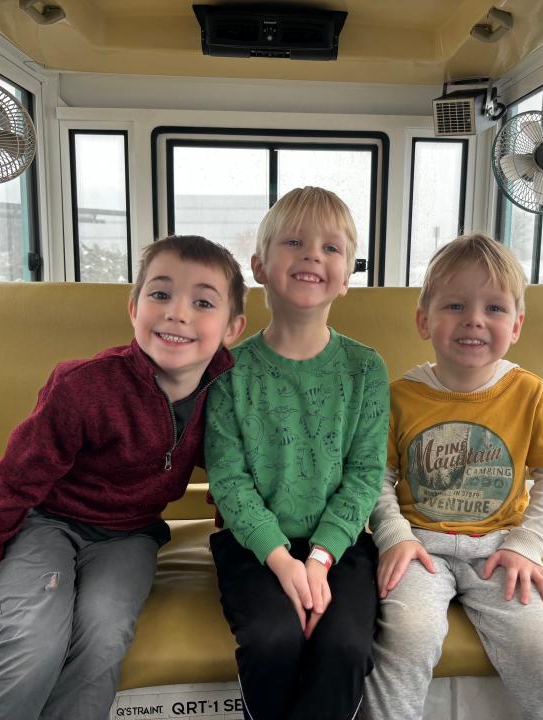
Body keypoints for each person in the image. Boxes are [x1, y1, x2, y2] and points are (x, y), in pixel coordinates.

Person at [0, 235, 247, 720]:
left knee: (104, 636)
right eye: (160, 294)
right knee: (35, 640)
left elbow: (240, 478)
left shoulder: (229, 398)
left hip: (129, 537)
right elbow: (11, 481)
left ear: (232, 328)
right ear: (133, 308)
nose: (178, 313)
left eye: (203, 302)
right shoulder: (82, 387)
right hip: (45, 523)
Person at [364, 233, 543, 720]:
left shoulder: (527, 392)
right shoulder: (400, 396)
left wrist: (526, 546)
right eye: (455, 305)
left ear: (517, 325)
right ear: (424, 321)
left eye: (494, 308)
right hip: (420, 546)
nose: (474, 320)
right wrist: (395, 537)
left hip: (502, 547)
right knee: (402, 641)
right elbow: (375, 479)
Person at [205, 186, 389, 720]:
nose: (313, 255)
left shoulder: (365, 369)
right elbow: (230, 481)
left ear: (348, 274)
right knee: (271, 639)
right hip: (253, 545)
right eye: (295, 241)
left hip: (342, 545)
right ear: (259, 265)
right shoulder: (227, 371)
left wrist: (320, 559)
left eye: (332, 248)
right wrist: (284, 562)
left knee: (346, 647)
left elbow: (363, 476)